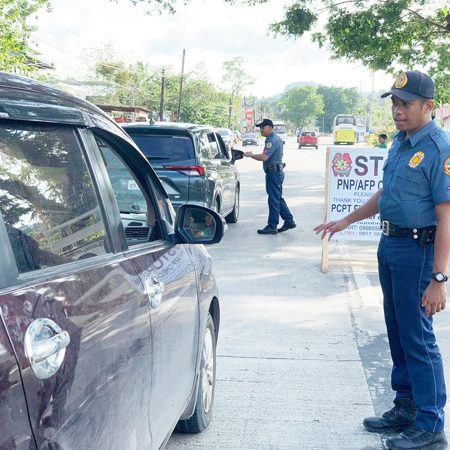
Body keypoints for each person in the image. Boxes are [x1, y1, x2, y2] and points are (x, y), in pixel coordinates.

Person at [314, 70, 450, 450]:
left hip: (419, 251)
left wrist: (439, 278)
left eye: (405, 104)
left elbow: (447, 217)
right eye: (394, 103)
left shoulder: (440, 149)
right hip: (390, 246)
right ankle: (405, 406)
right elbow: (386, 193)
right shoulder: (402, 144)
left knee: (418, 338)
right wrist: (346, 220)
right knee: (397, 331)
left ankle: (431, 425)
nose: (397, 111)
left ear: (429, 106)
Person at [244, 118, 296, 235]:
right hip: (276, 172)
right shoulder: (273, 138)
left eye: (263, 127)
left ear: (270, 128)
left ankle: (272, 226)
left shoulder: (271, 140)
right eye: (260, 128)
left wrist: (251, 155)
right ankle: (289, 220)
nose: (261, 130)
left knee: (273, 200)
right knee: (277, 198)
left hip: (274, 173)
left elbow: (264, 157)